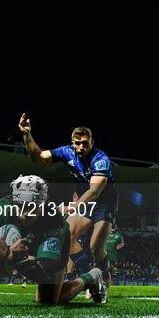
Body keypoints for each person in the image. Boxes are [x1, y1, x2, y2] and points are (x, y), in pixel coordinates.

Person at [0, 174, 106, 304]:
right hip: (20, 246)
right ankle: (92, 276)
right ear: (13, 201)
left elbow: (46, 270)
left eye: (32, 207)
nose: (25, 213)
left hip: (48, 241)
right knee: (48, 299)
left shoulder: (54, 220)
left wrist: (9, 255)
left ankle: (92, 276)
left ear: (43, 203)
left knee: (50, 300)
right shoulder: (1, 208)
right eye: (20, 206)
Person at [18, 113, 118, 299]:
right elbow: (38, 156)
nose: (81, 147)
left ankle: (104, 275)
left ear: (92, 142)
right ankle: (87, 276)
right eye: (77, 143)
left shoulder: (100, 159)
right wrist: (26, 135)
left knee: (95, 247)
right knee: (67, 233)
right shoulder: (66, 152)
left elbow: (95, 191)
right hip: (83, 200)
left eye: (85, 143)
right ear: (72, 143)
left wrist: (72, 207)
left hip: (104, 202)